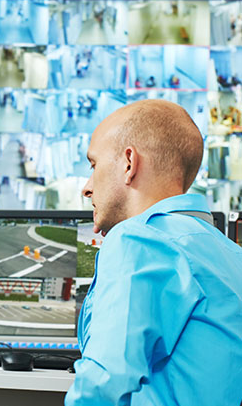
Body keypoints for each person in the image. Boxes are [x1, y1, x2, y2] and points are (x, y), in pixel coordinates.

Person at [65, 99, 242, 405]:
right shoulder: (230, 253)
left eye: (94, 165)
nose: (87, 187)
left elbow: (102, 385)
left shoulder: (138, 240)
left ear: (128, 164)